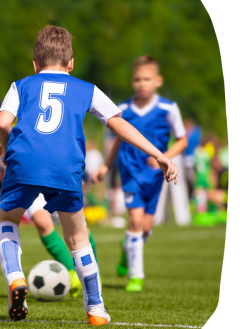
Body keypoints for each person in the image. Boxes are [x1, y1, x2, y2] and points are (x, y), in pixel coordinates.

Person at [0, 26, 178, 324]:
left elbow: (3, 123)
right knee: (78, 237)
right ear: (71, 64)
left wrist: (8, 152)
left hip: (24, 161)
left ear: (35, 64)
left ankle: (16, 278)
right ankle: (95, 309)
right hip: (65, 165)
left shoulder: (21, 85)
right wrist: (159, 154)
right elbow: (118, 123)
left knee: (6, 221)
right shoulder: (86, 88)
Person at [0, 98, 106, 298]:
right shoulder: (18, 99)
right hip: (26, 173)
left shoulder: (58, 102)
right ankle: (73, 272)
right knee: (42, 222)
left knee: (77, 227)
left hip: (55, 171)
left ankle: (92, 272)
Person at [93, 55, 187, 293]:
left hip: (156, 176)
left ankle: (127, 249)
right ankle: (136, 276)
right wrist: (106, 166)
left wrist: (164, 156)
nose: (141, 83)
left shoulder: (168, 108)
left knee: (145, 227)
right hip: (130, 173)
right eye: (137, 79)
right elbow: (117, 140)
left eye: (147, 79)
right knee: (134, 220)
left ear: (158, 81)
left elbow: (183, 140)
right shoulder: (122, 109)